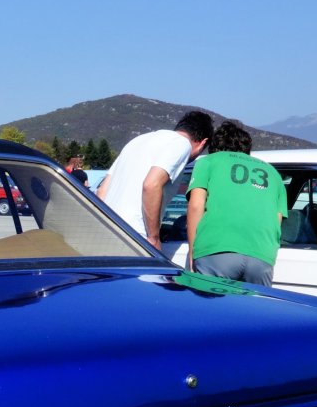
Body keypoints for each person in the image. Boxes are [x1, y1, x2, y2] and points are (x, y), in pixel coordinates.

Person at [184, 120, 286, 286]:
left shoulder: (208, 162)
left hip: (216, 250)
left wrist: (193, 252)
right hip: (262, 256)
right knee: (251, 311)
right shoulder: (273, 174)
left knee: (208, 311)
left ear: (214, 147)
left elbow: (196, 206)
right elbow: (277, 219)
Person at [97, 110, 214, 249]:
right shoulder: (182, 144)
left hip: (105, 232)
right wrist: (153, 238)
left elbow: (102, 191)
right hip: (135, 236)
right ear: (203, 143)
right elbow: (151, 185)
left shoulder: (136, 141)